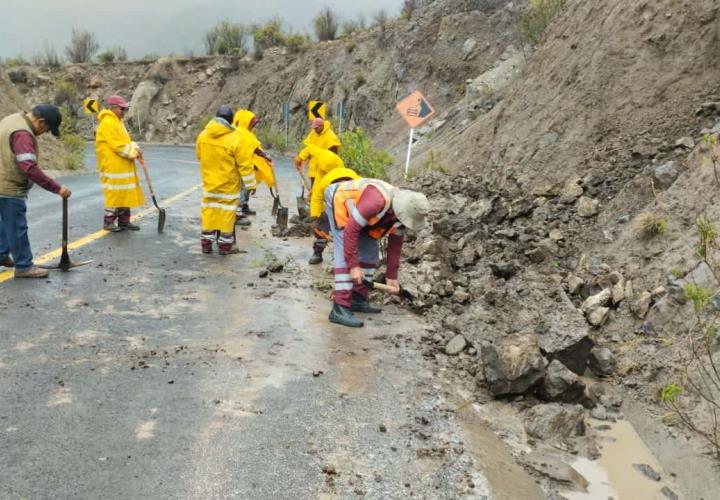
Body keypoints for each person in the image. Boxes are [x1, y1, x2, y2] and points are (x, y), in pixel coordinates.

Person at [325, 178, 429, 327]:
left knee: (369, 252)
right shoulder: (376, 201)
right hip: (339, 201)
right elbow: (350, 231)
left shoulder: (400, 216)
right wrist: (354, 266)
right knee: (344, 255)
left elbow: (395, 245)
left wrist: (392, 276)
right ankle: (339, 307)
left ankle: (357, 298)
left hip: (361, 215)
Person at [0, 104, 72, 279]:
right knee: (17, 226)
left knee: (5, 222)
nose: (44, 133)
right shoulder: (23, 133)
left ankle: (1, 254)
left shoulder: (11, 119)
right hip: (9, 185)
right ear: (41, 122)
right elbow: (29, 168)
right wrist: (57, 188)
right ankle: (24, 265)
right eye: (47, 129)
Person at [196, 105, 256, 255]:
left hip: (209, 185)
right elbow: (245, 164)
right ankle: (224, 247)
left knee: (209, 214)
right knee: (227, 216)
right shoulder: (235, 138)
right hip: (228, 187)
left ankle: (206, 245)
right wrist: (250, 184)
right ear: (230, 120)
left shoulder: (203, 135)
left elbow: (199, 156)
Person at [95, 95, 145, 232]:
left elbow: (125, 142)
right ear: (114, 108)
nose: (124, 111)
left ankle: (124, 221)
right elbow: (117, 145)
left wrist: (135, 147)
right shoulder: (108, 123)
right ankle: (108, 222)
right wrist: (134, 152)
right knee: (115, 193)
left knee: (125, 192)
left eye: (125, 109)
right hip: (113, 166)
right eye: (122, 109)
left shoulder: (118, 121)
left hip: (122, 165)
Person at [295, 144, 348, 264]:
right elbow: (316, 200)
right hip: (324, 193)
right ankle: (318, 252)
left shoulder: (347, 177)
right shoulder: (320, 155)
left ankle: (346, 256)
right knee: (322, 223)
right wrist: (315, 218)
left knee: (346, 228)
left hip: (343, 200)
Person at [232, 109, 272, 227]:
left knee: (245, 188)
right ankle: (237, 216)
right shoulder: (240, 133)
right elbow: (254, 148)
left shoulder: (246, 133)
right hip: (238, 167)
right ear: (245, 122)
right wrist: (265, 156)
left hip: (244, 165)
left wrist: (265, 156)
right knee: (240, 189)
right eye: (252, 123)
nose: (253, 125)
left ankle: (243, 208)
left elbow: (254, 147)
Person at [300, 117, 341, 187]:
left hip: (325, 168)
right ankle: (312, 197)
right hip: (314, 167)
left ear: (322, 126)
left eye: (316, 128)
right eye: (314, 128)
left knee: (324, 187)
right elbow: (309, 148)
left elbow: (334, 155)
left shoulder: (331, 136)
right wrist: (304, 160)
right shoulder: (313, 133)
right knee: (313, 188)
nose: (315, 130)